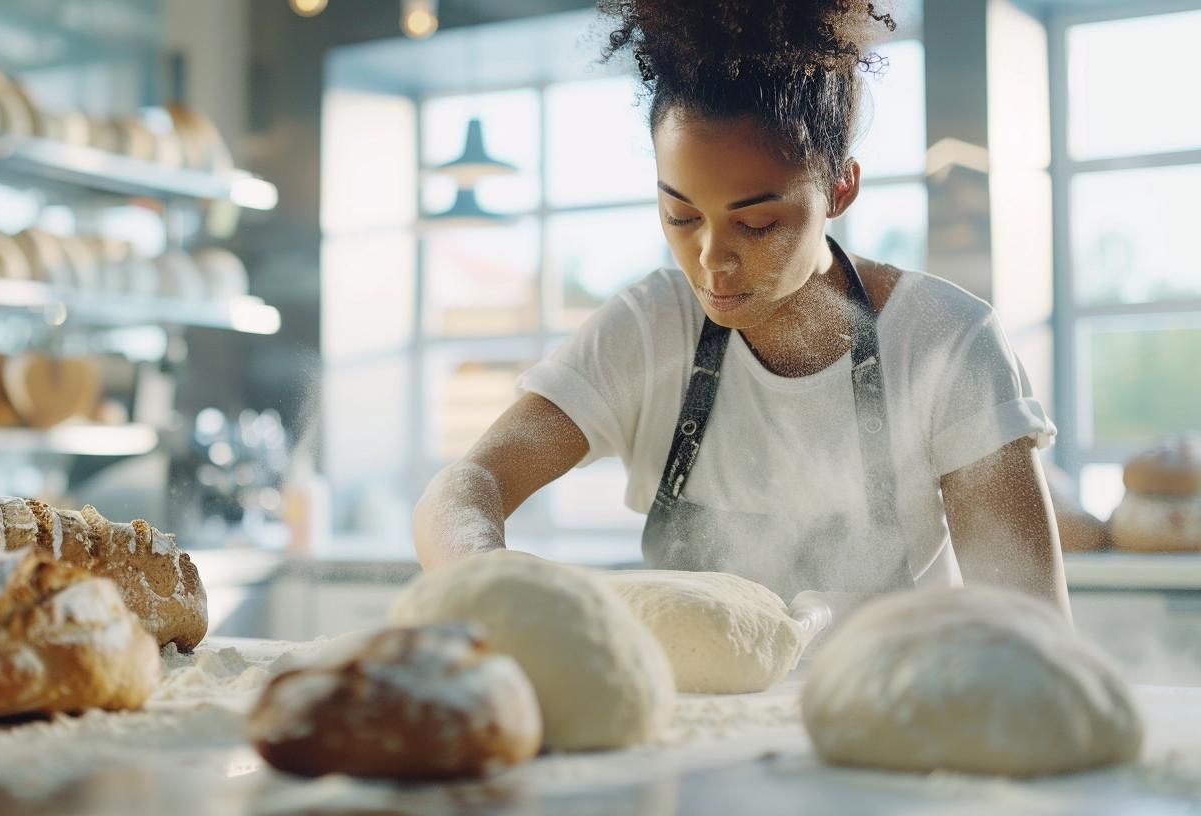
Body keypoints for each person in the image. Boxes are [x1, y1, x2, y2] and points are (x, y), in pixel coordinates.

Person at [412, 0, 1069, 618]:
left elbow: (1029, 625)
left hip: (895, 719)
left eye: (757, 224)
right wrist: (480, 584)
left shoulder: (944, 341)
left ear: (841, 186)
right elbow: (467, 484)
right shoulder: (650, 329)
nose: (711, 260)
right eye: (681, 215)